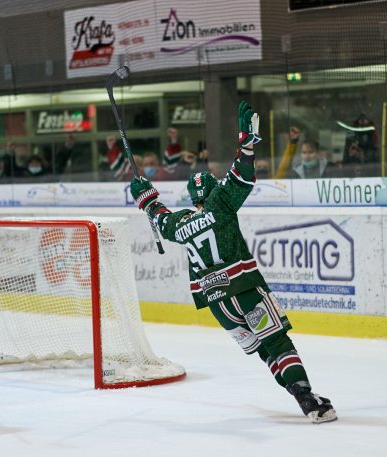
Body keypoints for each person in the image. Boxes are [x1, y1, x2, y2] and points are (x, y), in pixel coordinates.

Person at [129, 101, 337, 424]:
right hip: (244, 290)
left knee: (264, 351)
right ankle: (308, 399)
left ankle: (300, 395)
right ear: (211, 191)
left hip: (218, 306)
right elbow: (241, 176)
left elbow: (162, 219)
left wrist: (147, 199)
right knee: (276, 340)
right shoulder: (220, 204)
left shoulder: (181, 224)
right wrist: (246, 144)